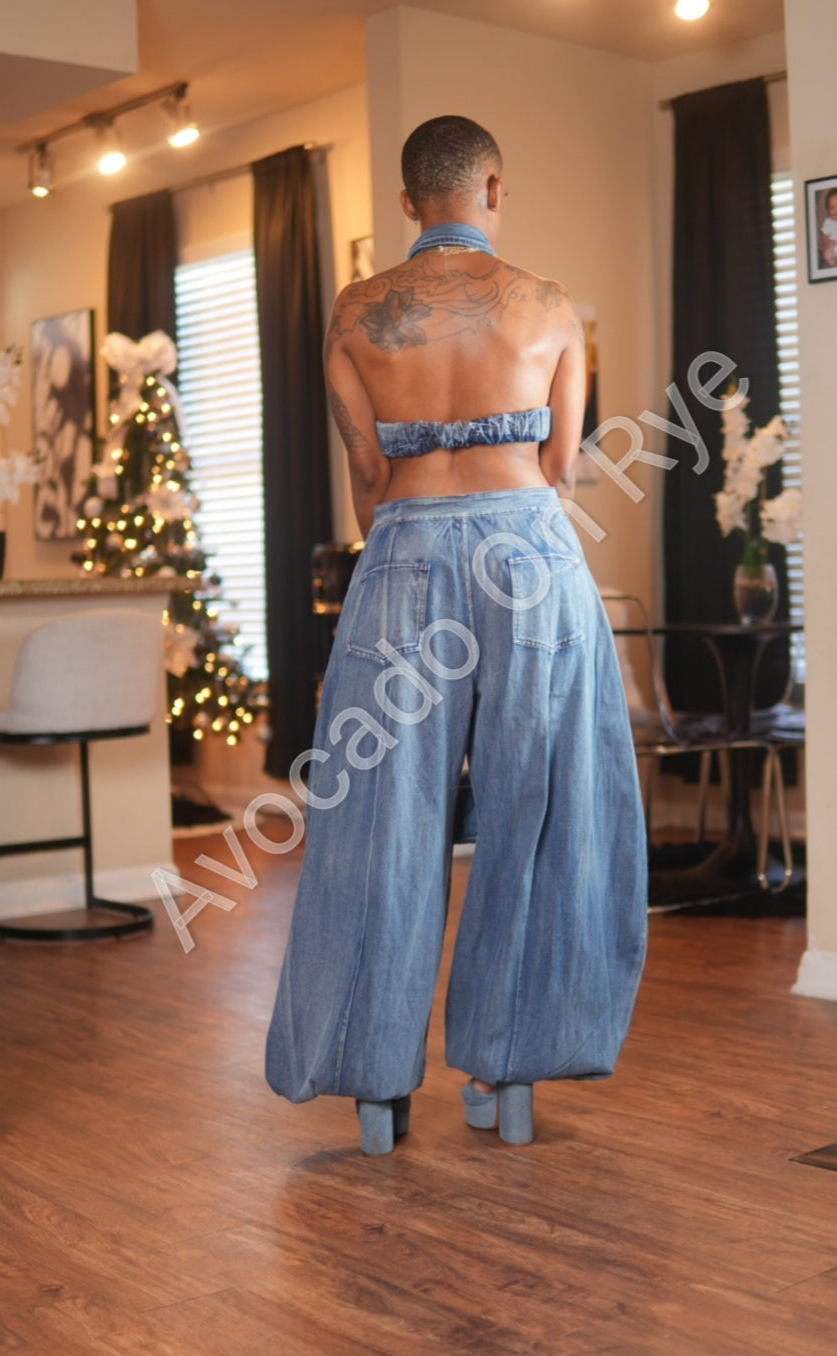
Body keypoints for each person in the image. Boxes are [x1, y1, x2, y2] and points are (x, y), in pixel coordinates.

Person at [265, 115, 647, 1154]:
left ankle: (373, 1088)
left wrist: (406, 543)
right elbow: (561, 468)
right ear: (493, 189)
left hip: (403, 552)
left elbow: (366, 476)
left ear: (406, 202)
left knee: (378, 819)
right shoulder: (548, 303)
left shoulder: (356, 310)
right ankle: (508, 1075)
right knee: (545, 805)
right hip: (530, 553)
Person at [818, 187, 837, 268]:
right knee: (827, 254)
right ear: (828, 211)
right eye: (832, 208)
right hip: (833, 247)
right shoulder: (828, 222)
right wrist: (827, 242)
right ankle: (832, 264)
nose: (835, 210)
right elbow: (823, 236)